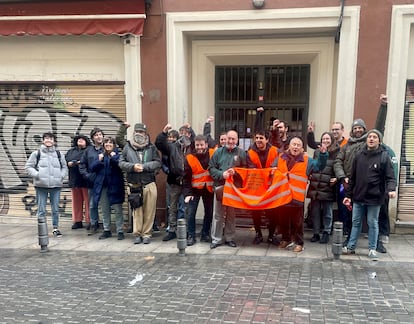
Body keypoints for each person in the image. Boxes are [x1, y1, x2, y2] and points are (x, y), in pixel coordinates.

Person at [342, 129, 397, 260]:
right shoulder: (359, 156)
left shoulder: (384, 157)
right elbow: (352, 178)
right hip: (358, 196)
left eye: (374, 137)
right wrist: (348, 196)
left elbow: (390, 177)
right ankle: (351, 247)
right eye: (369, 137)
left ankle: (372, 249)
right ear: (366, 140)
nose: (371, 139)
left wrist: (391, 189)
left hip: (375, 198)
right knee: (356, 223)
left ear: (379, 140)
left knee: (372, 223)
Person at [275, 136, 328, 253]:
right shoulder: (280, 158)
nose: (295, 147)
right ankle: (286, 239)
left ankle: (299, 243)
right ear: (289, 146)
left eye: (298, 145)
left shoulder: (307, 160)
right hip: (282, 196)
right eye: (293, 144)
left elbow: (319, 166)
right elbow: (273, 171)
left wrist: (323, 155)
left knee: (298, 223)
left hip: (297, 198)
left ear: (302, 148)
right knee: (283, 220)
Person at [118, 122, 161, 244]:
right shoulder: (128, 147)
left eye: (141, 132)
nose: (139, 134)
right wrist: (132, 167)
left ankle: (147, 234)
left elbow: (158, 163)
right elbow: (121, 163)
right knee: (137, 211)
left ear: (145, 133)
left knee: (149, 210)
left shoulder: (151, 147)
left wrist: (144, 166)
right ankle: (137, 234)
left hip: (149, 183)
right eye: (137, 131)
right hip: (134, 185)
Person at [25, 132, 68, 251]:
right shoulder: (37, 153)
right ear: (43, 141)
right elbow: (28, 167)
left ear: (54, 141)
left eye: (51, 138)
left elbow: (64, 167)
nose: (48, 140)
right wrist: (37, 175)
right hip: (41, 186)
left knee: (55, 208)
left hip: (56, 185)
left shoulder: (59, 154)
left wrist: (61, 176)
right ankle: (41, 229)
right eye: (46, 138)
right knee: (41, 208)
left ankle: (55, 228)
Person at [208, 129, 247, 249]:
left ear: (237, 140)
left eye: (233, 139)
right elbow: (211, 168)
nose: (230, 141)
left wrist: (236, 172)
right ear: (225, 139)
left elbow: (245, 169)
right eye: (229, 138)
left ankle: (230, 238)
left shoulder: (241, 153)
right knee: (218, 215)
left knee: (231, 215)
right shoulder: (218, 152)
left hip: (233, 189)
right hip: (220, 187)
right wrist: (221, 174)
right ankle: (216, 239)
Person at [156, 123, 193, 241]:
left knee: (187, 208)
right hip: (174, 182)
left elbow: (206, 141)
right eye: (182, 133)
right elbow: (159, 144)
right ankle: (172, 230)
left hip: (187, 183)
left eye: (186, 133)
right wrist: (164, 132)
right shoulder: (172, 146)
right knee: (172, 207)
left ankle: (186, 231)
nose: (184, 136)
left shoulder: (192, 148)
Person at [334, 118, 369, 244]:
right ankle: (349, 237)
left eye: (360, 128)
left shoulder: (368, 144)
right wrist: (342, 177)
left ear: (364, 129)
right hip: (348, 184)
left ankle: (374, 241)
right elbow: (338, 161)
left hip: (363, 186)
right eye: (355, 128)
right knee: (347, 212)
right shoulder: (346, 146)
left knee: (367, 215)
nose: (358, 130)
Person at [246, 129, 279, 244]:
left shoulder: (276, 151)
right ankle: (258, 234)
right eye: (257, 138)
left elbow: (279, 165)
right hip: (257, 187)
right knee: (256, 213)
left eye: (261, 138)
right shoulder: (250, 153)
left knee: (273, 213)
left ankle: (271, 235)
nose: (258, 140)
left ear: (267, 139)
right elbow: (250, 168)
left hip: (272, 188)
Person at [306, 132, 340, 244]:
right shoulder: (317, 152)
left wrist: (336, 178)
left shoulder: (336, 152)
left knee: (327, 212)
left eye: (327, 138)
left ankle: (326, 232)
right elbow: (314, 165)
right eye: (323, 138)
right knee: (315, 211)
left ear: (331, 140)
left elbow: (338, 166)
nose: (325, 141)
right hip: (316, 184)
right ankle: (316, 233)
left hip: (328, 185)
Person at [89, 137, 125, 240]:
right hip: (103, 186)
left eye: (110, 143)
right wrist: (99, 160)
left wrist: (113, 157)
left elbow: (120, 166)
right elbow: (92, 168)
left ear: (114, 145)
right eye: (106, 143)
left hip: (115, 186)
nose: (108, 144)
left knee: (118, 209)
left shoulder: (118, 155)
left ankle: (120, 231)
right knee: (105, 209)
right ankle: (107, 230)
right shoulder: (101, 155)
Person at [183, 134, 215, 245]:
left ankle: (205, 234)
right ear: (194, 145)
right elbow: (186, 178)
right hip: (194, 190)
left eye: (201, 145)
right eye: (197, 145)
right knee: (191, 213)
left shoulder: (213, 153)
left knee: (209, 213)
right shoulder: (189, 158)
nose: (200, 147)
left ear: (206, 144)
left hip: (209, 189)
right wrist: (188, 194)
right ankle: (191, 235)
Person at [79, 127, 105, 235]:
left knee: (105, 204)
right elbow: (82, 165)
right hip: (92, 182)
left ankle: (105, 223)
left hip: (104, 182)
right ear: (93, 138)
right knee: (92, 204)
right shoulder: (88, 151)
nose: (99, 137)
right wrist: (87, 176)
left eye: (100, 134)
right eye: (96, 135)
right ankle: (94, 223)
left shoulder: (107, 148)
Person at [65, 134, 91, 230]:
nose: (80, 141)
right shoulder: (71, 151)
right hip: (74, 179)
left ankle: (89, 221)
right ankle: (77, 220)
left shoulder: (89, 150)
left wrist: (80, 162)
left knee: (88, 202)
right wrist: (70, 163)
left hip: (86, 180)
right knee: (76, 202)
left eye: (82, 139)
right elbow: (66, 160)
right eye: (78, 139)